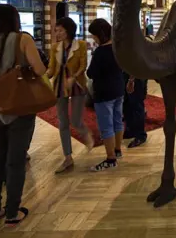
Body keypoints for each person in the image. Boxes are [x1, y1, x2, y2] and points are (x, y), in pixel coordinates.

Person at [0, 4, 46, 228]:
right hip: (17, 107)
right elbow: (40, 70)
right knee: (15, 161)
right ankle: (12, 212)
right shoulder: (22, 40)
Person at [48, 17, 91, 174]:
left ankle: (86, 134)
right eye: (56, 30)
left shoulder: (80, 45)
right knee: (63, 122)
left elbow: (83, 65)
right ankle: (68, 157)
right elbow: (52, 69)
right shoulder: (54, 48)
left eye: (60, 30)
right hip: (60, 86)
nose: (57, 33)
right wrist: (42, 77)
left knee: (76, 120)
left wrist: (73, 78)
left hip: (77, 85)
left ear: (68, 30)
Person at [87, 18, 125, 171]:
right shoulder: (118, 48)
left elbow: (91, 73)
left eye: (94, 35)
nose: (93, 38)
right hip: (118, 89)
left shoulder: (100, 52)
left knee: (106, 126)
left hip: (104, 92)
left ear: (99, 34)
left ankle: (110, 159)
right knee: (117, 121)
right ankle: (117, 150)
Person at [123, 72, 148, 148]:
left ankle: (140, 135)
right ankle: (131, 130)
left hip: (136, 74)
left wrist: (131, 80)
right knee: (127, 102)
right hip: (129, 73)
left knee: (137, 105)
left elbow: (134, 63)